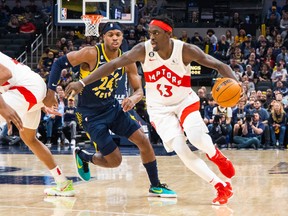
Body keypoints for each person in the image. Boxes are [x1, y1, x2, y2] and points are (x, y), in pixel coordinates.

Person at [64, 16, 236, 205]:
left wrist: (238, 86)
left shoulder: (185, 50)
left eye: (156, 33)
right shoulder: (142, 50)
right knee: (181, 150)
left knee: (195, 136)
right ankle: (221, 186)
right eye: (150, 33)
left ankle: (215, 154)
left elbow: (221, 65)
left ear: (168, 34)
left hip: (184, 102)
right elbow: (112, 65)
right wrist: (82, 82)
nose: (151, 37)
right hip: (159, 108)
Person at [45, 22, 176, 198]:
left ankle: (155, 185)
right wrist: (51, 92)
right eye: (110, 34)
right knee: (115, 161)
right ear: (103, 37)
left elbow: (139, 90)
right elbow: (59, 63)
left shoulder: (127, 59)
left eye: (118, 34)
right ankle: (84, 157)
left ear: (122, 37)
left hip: (112, 108)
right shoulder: (91, 53)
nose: (115, 38)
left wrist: (134, 98)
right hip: (90, 114)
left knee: (144, 141)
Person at [0, 52, 75, 196]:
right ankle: (63, 183)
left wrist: (2, 105)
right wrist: (38, 104)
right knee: (29, 139)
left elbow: (5, 73)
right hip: (31, 88)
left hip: (26, 89)